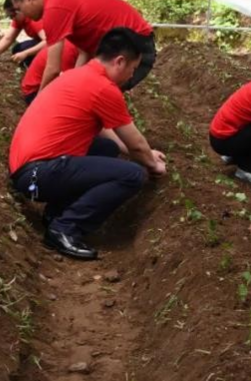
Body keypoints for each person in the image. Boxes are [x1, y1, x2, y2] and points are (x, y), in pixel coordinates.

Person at [9, 28, 166, 260]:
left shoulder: (80, 75)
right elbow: (136, 146)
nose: (131, 77)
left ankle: (56, 212)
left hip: (29, 172)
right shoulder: (104, 88)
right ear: (120, 61)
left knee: (107, 149)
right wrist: (152, 165)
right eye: (132, 70)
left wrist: (148, 153)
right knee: (132, 175)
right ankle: (65, 228)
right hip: (37, 175)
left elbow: (108, 132)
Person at [9, 0, 154, 92]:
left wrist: (39, 102)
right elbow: (84, 52)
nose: (22, 15)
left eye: (19, 9)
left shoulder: (55, 8)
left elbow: (53, 69)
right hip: (129, 45)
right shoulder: (59, 0)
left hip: (135, 47)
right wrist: (74, 85)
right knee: (84, 96)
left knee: (93, 99)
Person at [0, 0, 46, 68]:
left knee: (24, 49)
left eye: (12, 16)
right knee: (17, 49)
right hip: (43, 42)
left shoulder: (33, 19)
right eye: (10, 17)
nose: (12, 19)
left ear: (19, 10)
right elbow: (8, 39)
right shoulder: (18, 20)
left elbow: (48, 42)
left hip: (53, 45)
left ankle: (37, 66)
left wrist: (26, 53)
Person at [21, 40, 79, 106]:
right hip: (34, 92)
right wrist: (39, 99)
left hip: (38, 88)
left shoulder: (68, 43)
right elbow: (56, 74)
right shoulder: (68, 50)